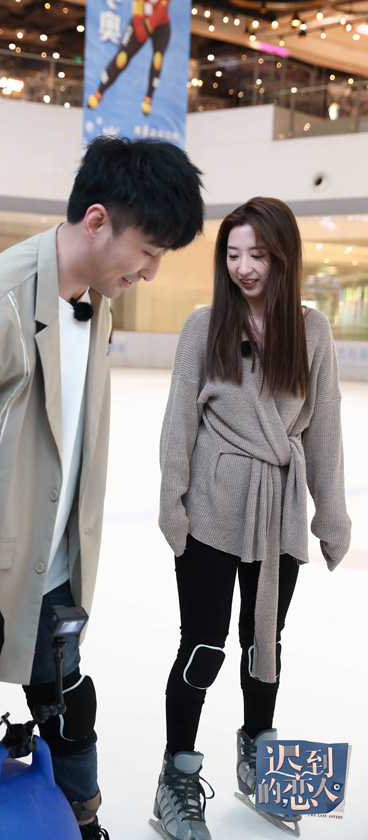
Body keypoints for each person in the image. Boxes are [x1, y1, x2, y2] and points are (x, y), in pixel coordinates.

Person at [0, 135, 205, 840]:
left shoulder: (96, 302)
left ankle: (84, 828)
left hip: (49, 570)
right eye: (148, 251)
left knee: (70, 713)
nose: (150, 272)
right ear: (97, 221)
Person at [154, 197, 351, 840]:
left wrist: (332, 516)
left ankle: (260, 762)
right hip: (213, 508)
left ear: (283, 257)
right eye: (233, 254)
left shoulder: (312, 331)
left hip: (279, 509)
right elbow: (179, 421)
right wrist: (173, 502)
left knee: (264, 641)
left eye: (258, 255)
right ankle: (177, 777)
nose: (243, 267)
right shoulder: (205, 325)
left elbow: (324, 429)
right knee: (203, 643)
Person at [88, 0, 171, 116]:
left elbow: (161, 13)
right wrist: (146, 26)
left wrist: (149, 25)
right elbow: (140, 34)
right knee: (121, 58)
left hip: (161, 26)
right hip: (140, 24)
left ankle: (148, 98)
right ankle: (99, 92)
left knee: (158, 59)